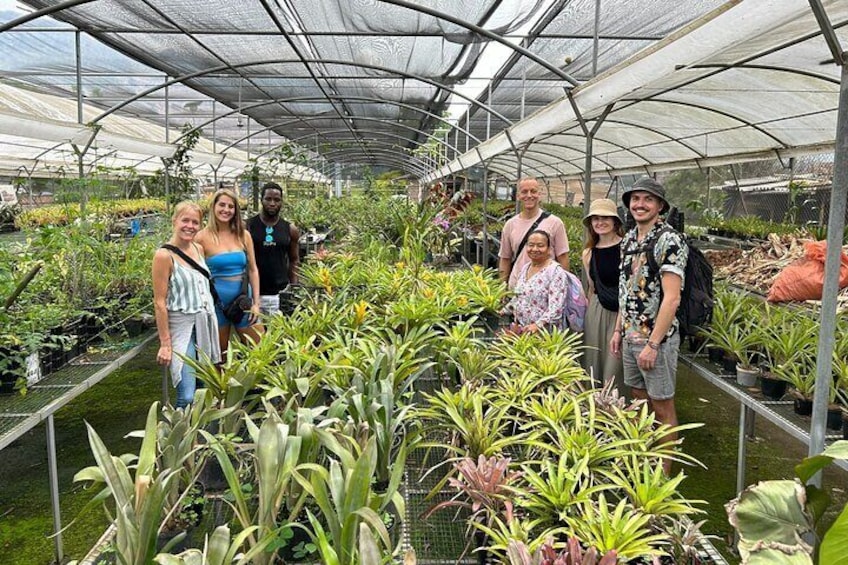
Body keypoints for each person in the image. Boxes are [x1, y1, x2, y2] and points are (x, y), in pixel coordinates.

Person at [610, 178, 687, 474]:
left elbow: (671, 298)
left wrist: (653, 344)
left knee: (663, 407)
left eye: (648, 200)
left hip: (657, 340)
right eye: (635, 199)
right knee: (640, 402)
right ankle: (643, 462)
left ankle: (663, 473)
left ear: (660, 206)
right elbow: (625, 289)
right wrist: (618, 330)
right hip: (630, 337)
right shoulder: (629, 239)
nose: (640, 204)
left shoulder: (669, 240)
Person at [152, 202, 221, 408]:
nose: (190, 226)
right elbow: (159, 302)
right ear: (174, 221)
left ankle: (199, 437)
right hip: (183, 328)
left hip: (205, 324)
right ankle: (182, 438)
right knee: (188, 393)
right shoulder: (164, 256)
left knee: (204, 387)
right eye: (185, 220)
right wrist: (165, 343)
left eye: (195, 222)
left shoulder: (198, 249)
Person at [196, 189, 263, 354]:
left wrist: (256, 303)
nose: (226, 210)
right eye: (222, 205)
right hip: (216, 304)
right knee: (219, 357)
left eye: (231, 206)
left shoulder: (243, 235)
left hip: (243, 302)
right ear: (213, 207)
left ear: (235, 211)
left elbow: (253, 269)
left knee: (260, 351)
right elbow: (196, 274)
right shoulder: (201, 237)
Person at [581, 198, 625, 391]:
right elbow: (591, 288)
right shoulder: (589, 253)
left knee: (615, 364)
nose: (600, 222)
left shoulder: (627, 249)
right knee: (593, 360)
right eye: (596, 218)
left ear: (615, 221)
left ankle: (617, 410)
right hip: (597, 309)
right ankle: (594, 408)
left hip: (621, 312)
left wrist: (619, 327)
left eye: (605, 218)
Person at [498, 178, 570, 289]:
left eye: (533, 191)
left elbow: (563, 257)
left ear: (539, 194)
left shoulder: (555, 223)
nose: (529, 195)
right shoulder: (510, 224)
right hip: (516, 288)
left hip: (545, 291)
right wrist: (502, 288)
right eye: (524, 192)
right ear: (518, 196)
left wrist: (563, 288)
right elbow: (505, 258)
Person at [246, 182, 300, 316]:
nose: (272, 203)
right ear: (261, 200)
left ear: (281, 202)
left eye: (277, 200)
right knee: (255, 335)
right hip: (253, 294)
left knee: (278, 333)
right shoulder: (248, 227)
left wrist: (293, 287)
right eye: (268, 199)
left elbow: (294, 260)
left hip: (279, 294)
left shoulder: (290, 229)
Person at [503, 230, 569, 333]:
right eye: (531, 245)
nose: (534, 249)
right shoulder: (525, 268)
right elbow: (519, 297)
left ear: (549, 249)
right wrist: (503, 311)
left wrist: (538, 325)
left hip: (545, 334)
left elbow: (556, 308)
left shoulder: (555, 271)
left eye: (540, 245)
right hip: (523, 331)